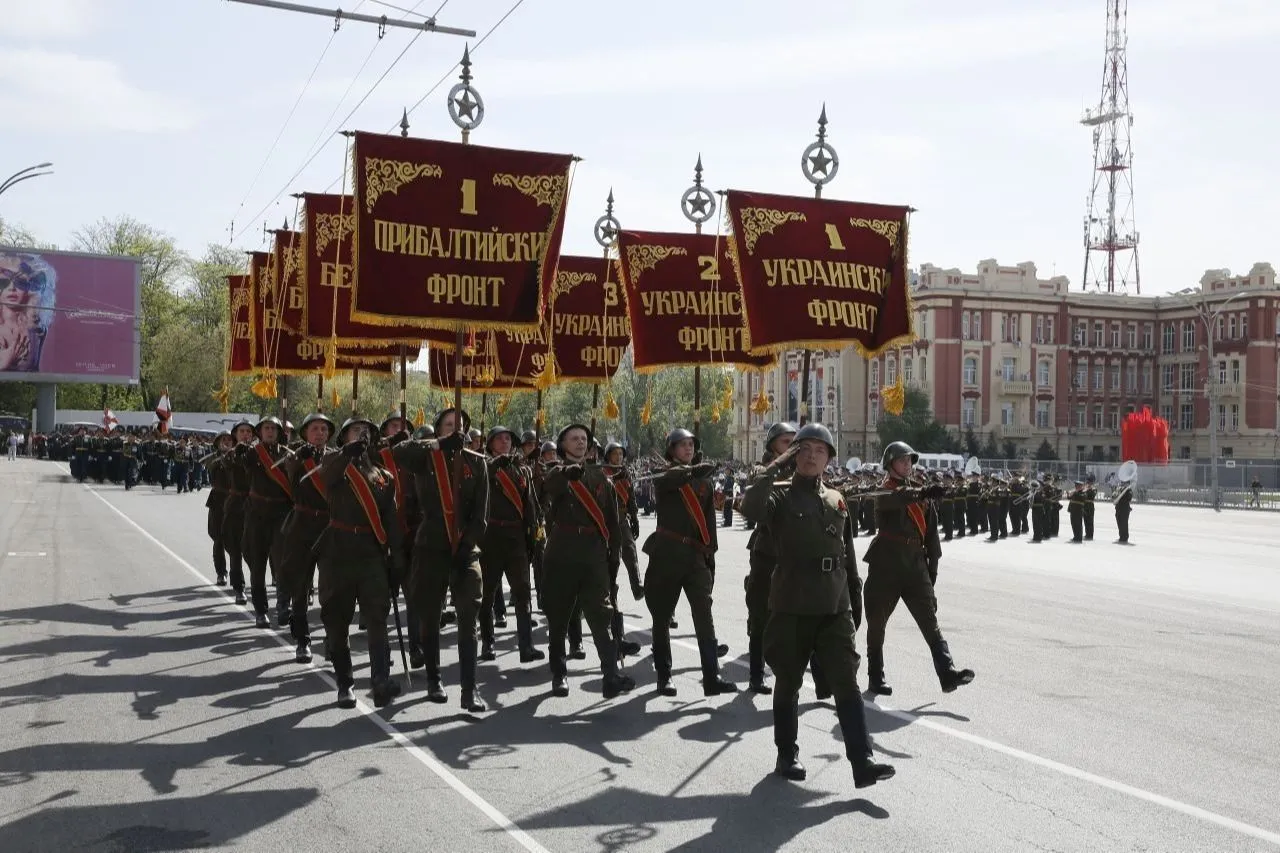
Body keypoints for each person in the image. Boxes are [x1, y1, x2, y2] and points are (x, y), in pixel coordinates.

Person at [740, 423, 894, 789]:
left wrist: (853, 602)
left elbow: (849, 556)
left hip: (833, 605)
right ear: (793, 455)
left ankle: (863, 760)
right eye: (803, 449)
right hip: (792, 603)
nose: (811, 456)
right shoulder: (778, 496)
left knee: (846, 682)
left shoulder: (837, 499)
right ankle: (786, 753)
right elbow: (751, 508)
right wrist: (774, 468)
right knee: (789, 682)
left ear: (829, 458)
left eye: (819, 450)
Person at [863, 441, 975, 698]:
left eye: (910, 460)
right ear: (890, 463)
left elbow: (931, 533)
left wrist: (932, 567)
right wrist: (921, 493)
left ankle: (947, 672)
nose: (907, 465)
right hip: (886, 565)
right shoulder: (885, 491)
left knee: (930, 620)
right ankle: (875, 676)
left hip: (915, 564)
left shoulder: (922, 493)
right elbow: (894, 500)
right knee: (877, 622)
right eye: (902, 460)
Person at [312, 417, 405, 708]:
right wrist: (345, 454)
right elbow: (326, 477)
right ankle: (345, 682)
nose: (362, 436)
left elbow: (391, 520)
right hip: (337, 554)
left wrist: (397, 559)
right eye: (355, 431)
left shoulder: (383, 476)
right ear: (343, 438)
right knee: (337, 620)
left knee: (377, 619)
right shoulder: (333, 465)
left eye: (367, 432)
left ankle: (380, 681)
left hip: (370, 555)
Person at [541, 423, 636, 699]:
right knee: (559, 617)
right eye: (574, 439)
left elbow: (611, 522)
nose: (580, 443)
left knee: (601, 615)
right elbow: (549, 487)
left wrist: (614, 555)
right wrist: (566, 474)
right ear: (563, 445)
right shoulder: (554, 472)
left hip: (594, 553)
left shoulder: (601, 478)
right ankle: (559, 673)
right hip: (563, 553)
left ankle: (610, 675)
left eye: (584, 439)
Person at [642, 428, 737, 697]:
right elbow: (671, 480)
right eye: (682, 445)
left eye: (691, 445)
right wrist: (693, 471)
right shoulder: (664, 476)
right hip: (668, 556)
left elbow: (709, 523)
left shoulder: (703, 481)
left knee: (704, 617)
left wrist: (710, 556)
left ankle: (712, 676)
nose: (688, 449)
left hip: (696, 558)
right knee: (661, 617)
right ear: (671, 450)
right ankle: (664, 675)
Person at [279, 412, 336, 664]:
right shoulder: (295, 456)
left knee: (331, 588)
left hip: (329, 527)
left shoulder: (336, 456)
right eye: (315, 428)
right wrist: (298, 459)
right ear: (305, 433)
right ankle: (302, 638)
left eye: (324, 429)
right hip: (302, 526)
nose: (321, 433)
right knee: (300, 586)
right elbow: (289, 474)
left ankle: (333, 639)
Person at [744, 421, 797, 695]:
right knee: (760, 614)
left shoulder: (802, 471)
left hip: (795, 553)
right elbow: (755, 493)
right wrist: (782, 464)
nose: (793, 446)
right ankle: (756, 673)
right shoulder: (762, 470)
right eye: (786, 442)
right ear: (773, 445)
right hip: (767, 551)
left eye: (794, 441)